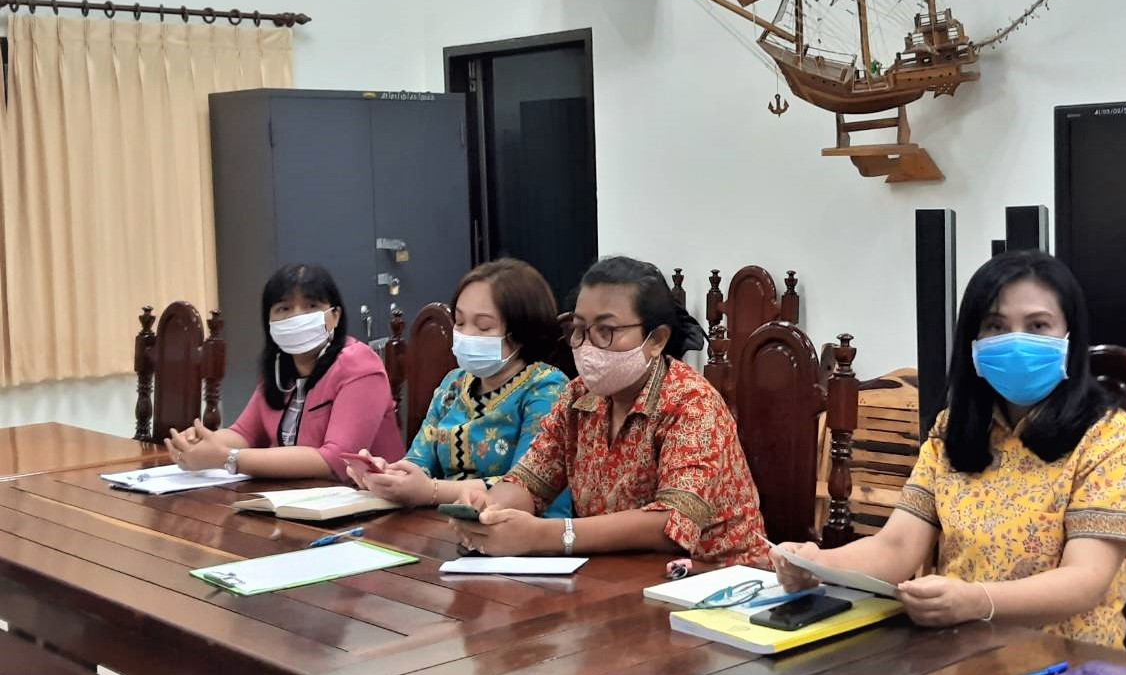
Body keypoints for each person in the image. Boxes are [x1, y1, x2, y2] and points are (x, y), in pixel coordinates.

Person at [772, 251, 1126, 647]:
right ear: (973, 340)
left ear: (1070, 337)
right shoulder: (951, 428)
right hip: (956, 652)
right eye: (995, 326)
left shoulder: (1111, 438)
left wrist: (976, 601)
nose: (1016, 341)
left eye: (1038, 325)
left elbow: (1084, 581)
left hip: (1069, 665)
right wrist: (817, 563)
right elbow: (896, 547)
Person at [448, 255, 770, 567]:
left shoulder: (692, 401)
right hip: (615, 576)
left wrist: (544, 535)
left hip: (719, 579)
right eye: (579, 329)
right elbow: (529, 481)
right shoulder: (578, 397)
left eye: (606, 331)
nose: (587, 346)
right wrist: (489, 512)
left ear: (656, 340)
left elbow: (671, 522)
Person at [343, 258, 570, 510]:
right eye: (460, 323)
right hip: (444, 522)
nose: (466, 334)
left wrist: (431, 491)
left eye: (483, 326)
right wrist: (389, 476)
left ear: (522, 332)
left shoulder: (546, 387)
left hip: (518, 526)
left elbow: (525, 485)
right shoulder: (454, 384)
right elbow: (419, 460)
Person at [165, 264, 404, 479]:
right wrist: (200, 442)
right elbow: (245, 434)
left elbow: (336, 460)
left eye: (311, 306)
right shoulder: (281, 367)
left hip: (367, 500)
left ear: (335, 316)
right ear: (269, 321)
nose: (297, 316)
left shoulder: (359, 364)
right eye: (284, 308)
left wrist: (228, 458)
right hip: (295, 498)